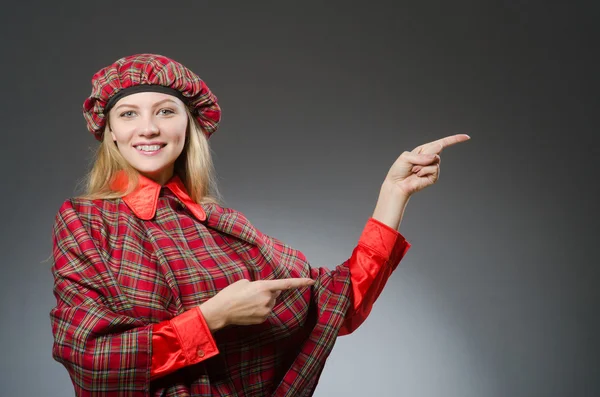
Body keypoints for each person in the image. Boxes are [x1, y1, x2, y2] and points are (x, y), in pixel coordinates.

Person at [49, 53, 470, 397]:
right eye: (128, 114)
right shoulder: (86, 221)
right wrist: (213, 317)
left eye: (165, 111)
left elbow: (336, 304)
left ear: (188, 124)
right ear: (111, 132)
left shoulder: (223, 225)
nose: (149, 128)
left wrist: (393, 194)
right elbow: (90, 360)